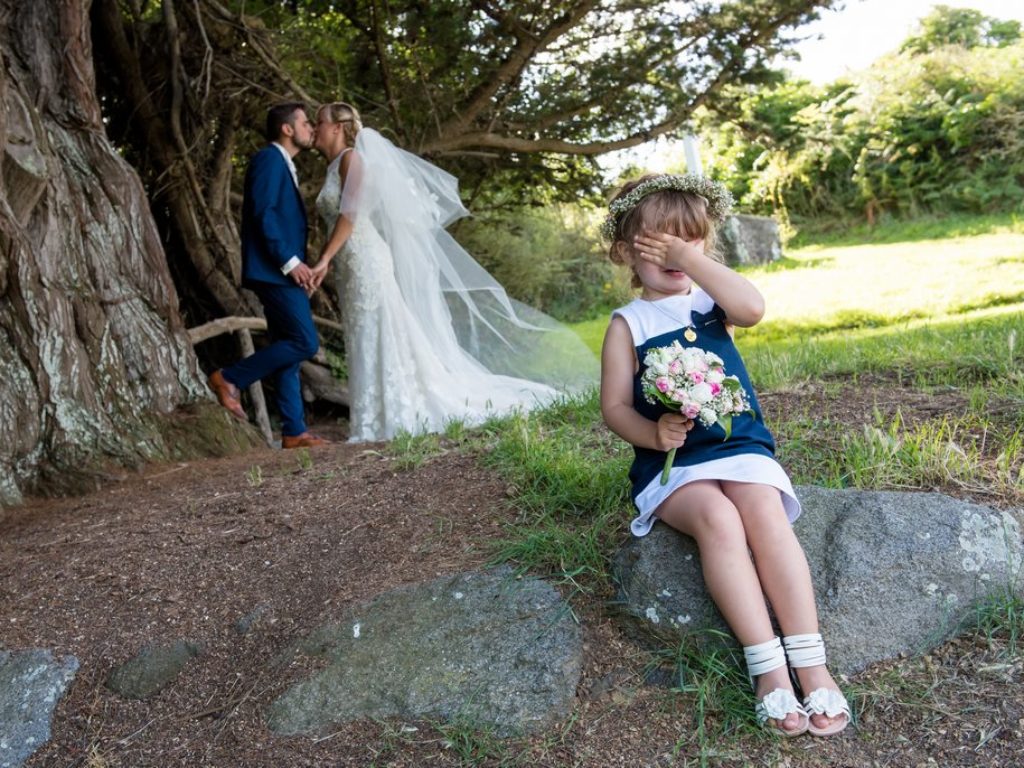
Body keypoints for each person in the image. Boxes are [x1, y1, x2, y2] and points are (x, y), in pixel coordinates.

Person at [599, 174, 850, 737]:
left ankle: (810, 662)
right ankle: (768, 667)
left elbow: (754, 307)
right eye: (659, 241)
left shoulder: (713, 302)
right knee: (718, 518)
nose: (675, 251)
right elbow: (614, 406)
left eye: (689, 241)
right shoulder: (628, 325)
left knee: (759, 509)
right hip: (676, 462)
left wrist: (694, 260)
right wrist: (651, 431)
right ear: (625, 250)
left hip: (740, 447)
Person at [307, 102, 597, 441]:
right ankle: (371, 417)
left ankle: (394, 412)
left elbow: (351, 214)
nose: (315, 127)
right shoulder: (332, 167)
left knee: (379, 326)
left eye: (320, 122)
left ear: (338, 127)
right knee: (362, 330)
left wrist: (324, 258)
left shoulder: (351, 160)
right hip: (349, 262)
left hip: (364, 257)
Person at [207, 102, 330, 449]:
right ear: (287, 129)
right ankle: (228, 378)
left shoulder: (284, 165)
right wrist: (292, 264)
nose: (311, 129)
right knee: (305, 342)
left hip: (282, 271)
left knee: (286, 348)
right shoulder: (268, 159)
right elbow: (264, 215)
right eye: (306, 123)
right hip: (274, 271)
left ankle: (293, 431)